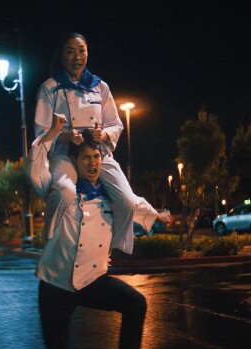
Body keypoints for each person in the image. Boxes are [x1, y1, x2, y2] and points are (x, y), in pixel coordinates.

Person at [28, 114, 159, 349]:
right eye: (86, 157)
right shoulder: (59, 193)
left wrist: (160, 216)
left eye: (96, 157)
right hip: (55, 284)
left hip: (91, 281)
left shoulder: (111, 198)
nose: (92, 163)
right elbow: (35, 167)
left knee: (136, 304)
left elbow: (137, 205)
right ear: (74, 161)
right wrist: (51, 134)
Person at [34, 32, 168, 254]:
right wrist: (67, 135)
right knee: (64, 193)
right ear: (61, 56)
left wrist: (103, 135)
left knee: (126, 201)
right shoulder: (49, 88)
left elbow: (116, 124)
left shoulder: (101, 87)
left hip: (98, 154)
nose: (77, 57)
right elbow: (41, 132)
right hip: (66, 155)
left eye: (81, 51)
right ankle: (54, 245)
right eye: (70, 52)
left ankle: (112, 250)